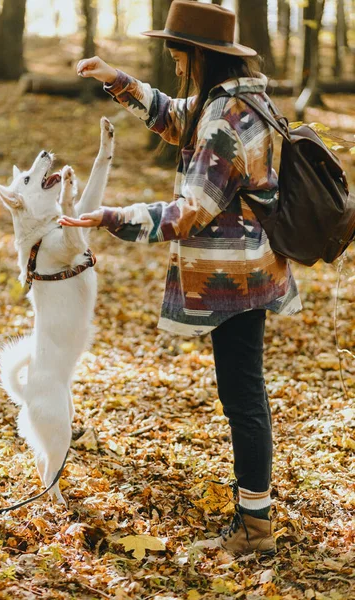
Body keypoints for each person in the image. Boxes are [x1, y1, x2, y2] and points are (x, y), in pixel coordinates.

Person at [59, 0, 302, 556]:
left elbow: (190, 209)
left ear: (199, 56)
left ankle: (255, 527)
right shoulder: (237, 101)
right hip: (248, 270)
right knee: (243, 393)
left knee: (242, 396)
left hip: (235, 278)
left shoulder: (226, 119)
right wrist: (118, 80)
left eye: (177, 56)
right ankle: (255, 514)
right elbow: (175, 116)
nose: (174, 66)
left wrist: (110, 218)